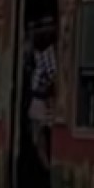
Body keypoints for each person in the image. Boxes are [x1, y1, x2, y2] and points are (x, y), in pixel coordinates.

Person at [26, 19, 56, 170]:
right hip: (37, 100)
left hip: (42, 101)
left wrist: (47, 94)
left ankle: (48, 169)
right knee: (37, 138)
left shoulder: (48, 54)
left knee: (39, 139)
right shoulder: (38, 54)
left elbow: (53, 77)